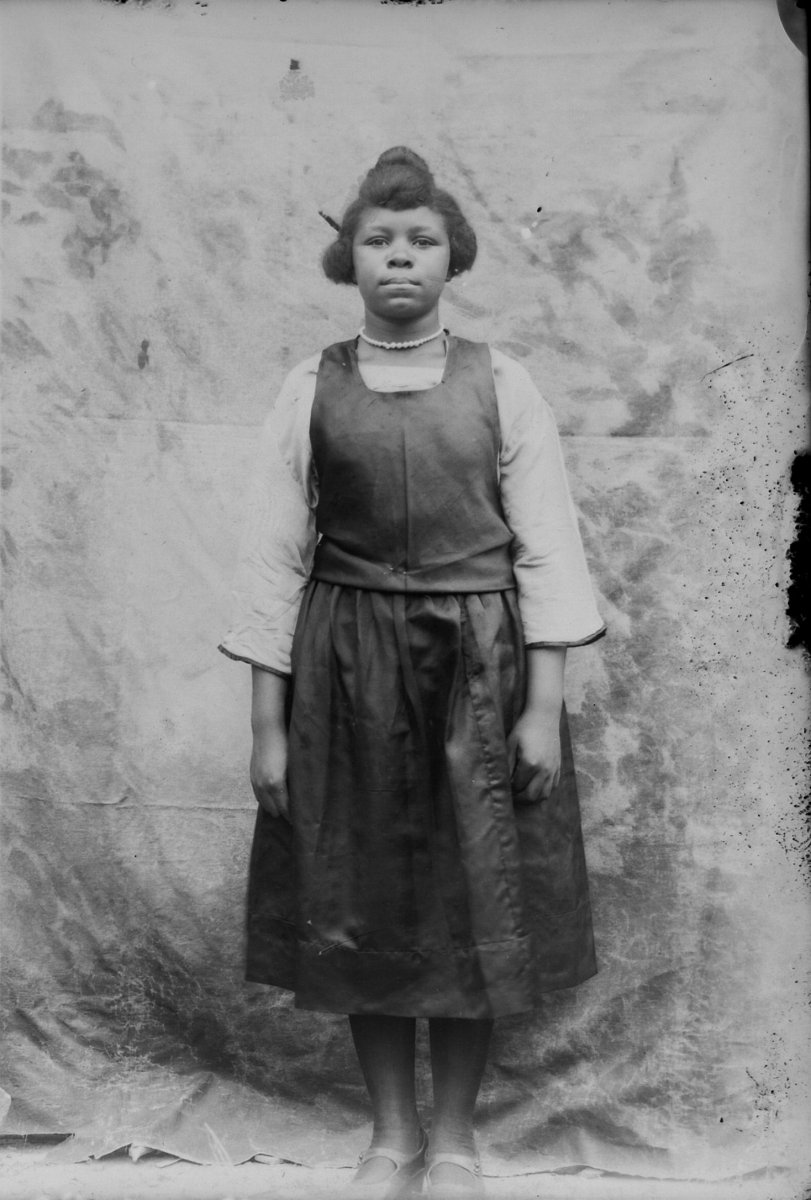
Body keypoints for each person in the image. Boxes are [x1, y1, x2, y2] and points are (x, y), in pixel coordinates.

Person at [219, 147, 605, 1198]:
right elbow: (271, 561)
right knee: (363, 906)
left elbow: (547, 549)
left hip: (478, 671)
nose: (400, 257)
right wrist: (267, 728)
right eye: (379, 240)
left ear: (452, 259)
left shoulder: (503, 383)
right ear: (347, 259)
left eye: (421, 240)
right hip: (344, 672)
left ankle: (455, 1142)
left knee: (471, 907)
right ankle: (389, 1138)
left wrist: (541, 708)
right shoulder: (309, 386)